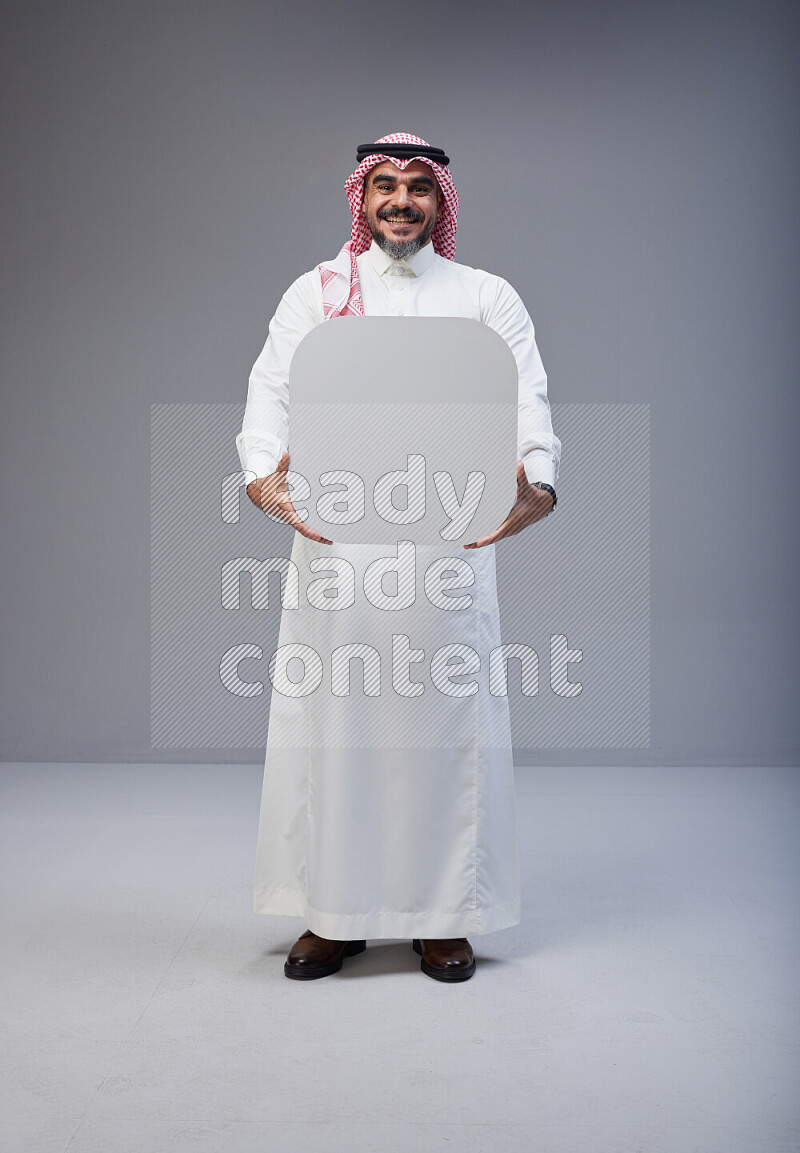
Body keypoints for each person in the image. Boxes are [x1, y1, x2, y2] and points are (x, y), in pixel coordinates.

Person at [236, 132, 561, 982]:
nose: (401, 201)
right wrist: (262, 479)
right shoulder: (318, 292)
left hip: (448, 545)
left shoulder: (487, 296)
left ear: (440, 201)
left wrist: (540, 482)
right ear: (362, 196)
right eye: (385, 185)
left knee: (443, 734)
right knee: (336, 732)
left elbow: (527, 396)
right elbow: (269, 391)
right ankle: (334, 916)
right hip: (340, 547)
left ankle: (444, 917)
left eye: (419, 186)